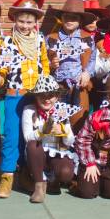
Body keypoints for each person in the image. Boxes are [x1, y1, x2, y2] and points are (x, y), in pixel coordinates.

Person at [0, 0, 50, 198]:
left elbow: (45, 65)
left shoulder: (40, 41)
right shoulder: (7, 42)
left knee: (30, 137)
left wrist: (47, 83)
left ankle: (27, 174)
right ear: (15, 21)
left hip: (35, 96)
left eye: (29, 22)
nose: (25, 25)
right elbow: (2, 66)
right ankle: (6, 176)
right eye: (21, 21)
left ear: (35, 23)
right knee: (12, 136)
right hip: (15, 95)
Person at [72, 75, 110, 200]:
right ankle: (79, 182)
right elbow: (82, 139)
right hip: (96, 159)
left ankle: (101, 183)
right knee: (87, 193)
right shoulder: (97, 116)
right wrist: (90, 163)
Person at [21, 75, 77, 203]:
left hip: (55, 153)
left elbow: (70, 141)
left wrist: (63, 131)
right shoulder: (29, 110)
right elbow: (27, 137)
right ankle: (39, 185)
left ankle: (52, 182)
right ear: (36, 97)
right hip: (36, 154)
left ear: (57, 96)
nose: (47, 99)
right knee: (32, 145)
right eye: (42, 95)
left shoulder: (62, 112)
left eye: (51, 95)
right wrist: (43, 130)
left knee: (66, 172)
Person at [44, 0, 95, 131]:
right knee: (58, 121)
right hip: (59, 86)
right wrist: (51, 64)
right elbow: (43, 61)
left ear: (80, 21)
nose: (70, 21)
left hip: (79, 85)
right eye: (66, 17)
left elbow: (93, 59)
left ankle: (77, 149)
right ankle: (58, 149)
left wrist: (87, 72)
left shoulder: (87, 38)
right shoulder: (51, 38)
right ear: (61, 18)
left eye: (74, 18)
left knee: (79, 120)